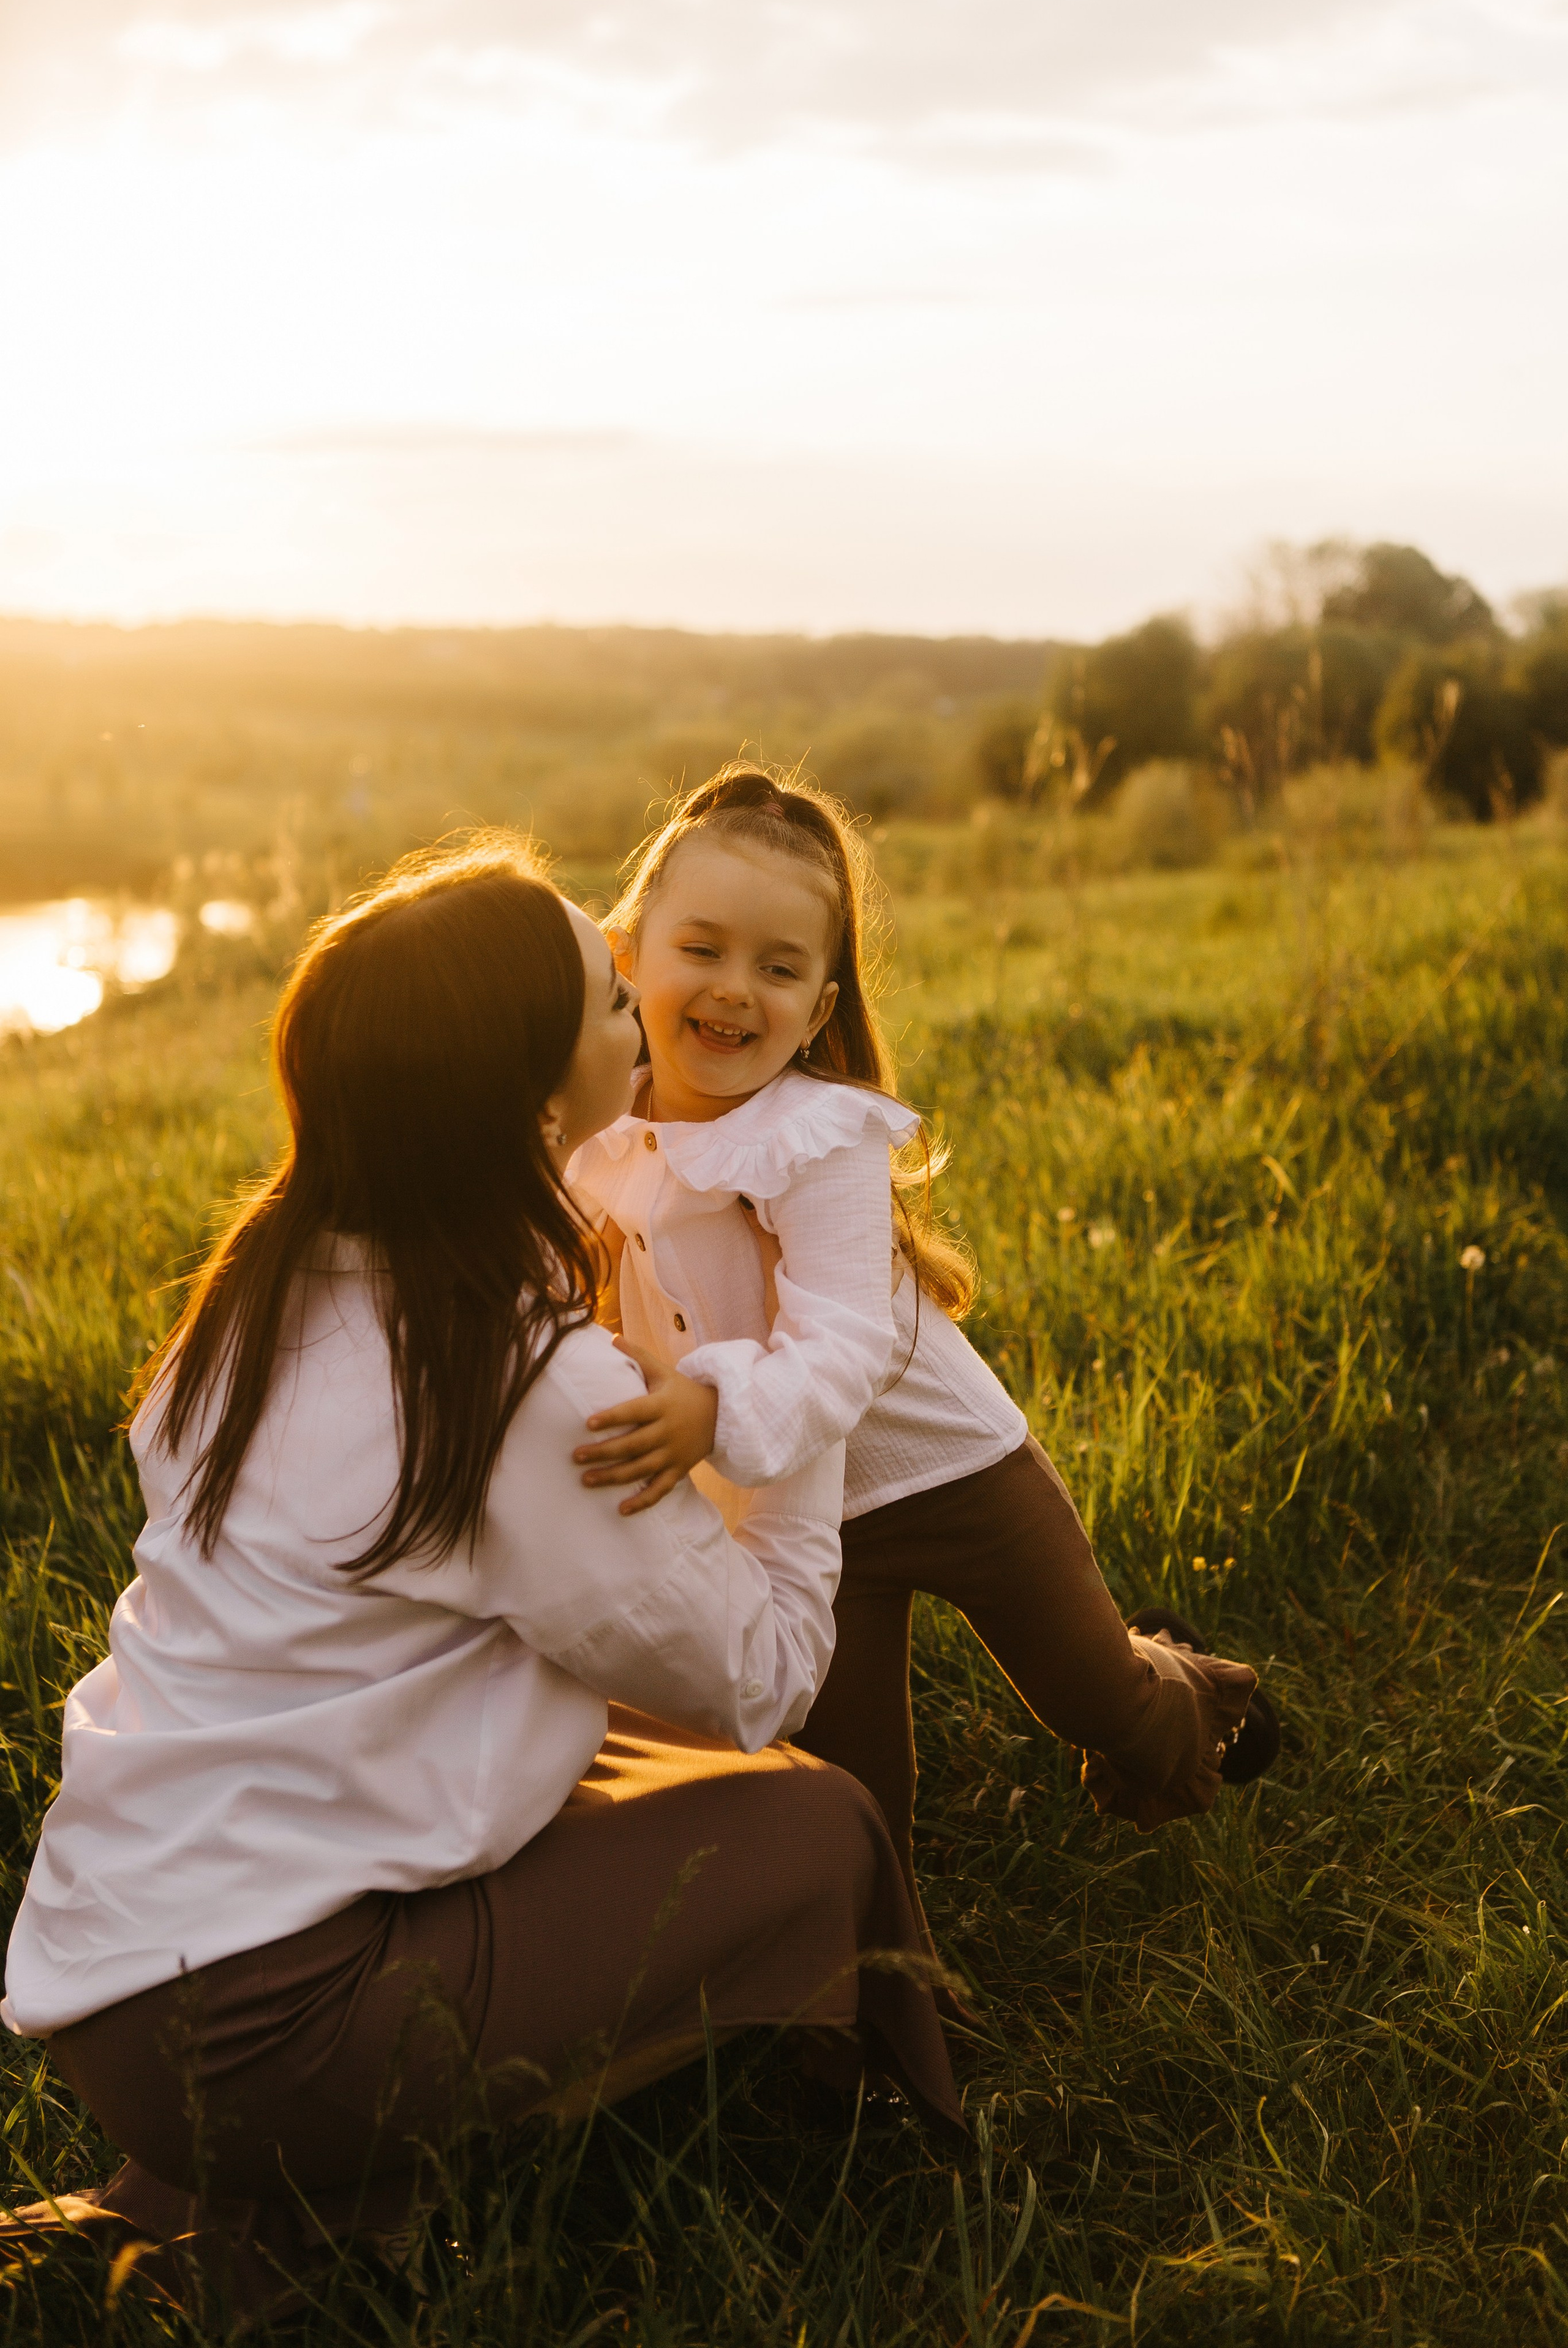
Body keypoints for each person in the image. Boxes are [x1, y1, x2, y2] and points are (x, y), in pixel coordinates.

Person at [0, 837, 959, 2316]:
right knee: (815, 1829)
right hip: (266, 2028)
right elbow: (765, 1676)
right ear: (529, 1091)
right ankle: (886, 2172)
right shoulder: (512, 1378)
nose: (644, 1013)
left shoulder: (256, 1295)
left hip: (113, 1969)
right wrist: (796, 1385)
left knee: (626, 1751)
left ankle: (210, 2217)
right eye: (608, 1000)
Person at [568, 764, 1273, 1950]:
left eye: (779, 967)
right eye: (703, 949)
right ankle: (875, 1998)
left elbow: (841, 1350)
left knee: (1093, 1700)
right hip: (796, 1523)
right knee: (847, 1787)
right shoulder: (598, 1124)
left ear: (821, 995)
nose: (735, 991)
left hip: (947, 1474)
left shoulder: (817, 1136)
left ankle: (1187, 1690)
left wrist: (703, 1408)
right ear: (628, 953)